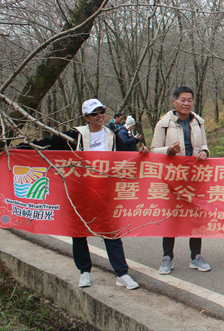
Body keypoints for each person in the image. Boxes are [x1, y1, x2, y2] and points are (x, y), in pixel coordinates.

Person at [20, 98, 144, 289]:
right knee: (79, 232)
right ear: (86, 117)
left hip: (105, 192)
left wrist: (141, 154)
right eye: (95, 113)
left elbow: (125, 155)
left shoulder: (111, 135)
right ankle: (85, 271)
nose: (100, 115)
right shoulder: (75, 135)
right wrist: (22, 148)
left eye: (102, 111)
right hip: (80, 192)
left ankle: (122, 273)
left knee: (111, 232)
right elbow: (49, 144)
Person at [151, 86, 211, 274]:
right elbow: (154, 150)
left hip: (194, 178)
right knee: (171, 217)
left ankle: (196, 257)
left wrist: (204, 152)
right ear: (174, 101)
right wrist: (169, 151)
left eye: (189, 100)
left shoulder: (198, 121)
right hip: (172, 178)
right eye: (183, 100)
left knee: (195, 217)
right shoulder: (164, 123)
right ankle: (167, 257)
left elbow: (204, 145)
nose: (186, 103)